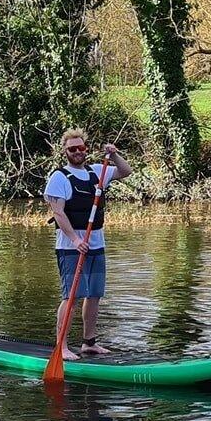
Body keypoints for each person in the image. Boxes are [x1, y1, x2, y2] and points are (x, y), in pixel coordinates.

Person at [44, 129, 131, 356]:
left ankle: (89, 343)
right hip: (70, 247)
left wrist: (113, 155)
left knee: (94, 295)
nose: (77, 152)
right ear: (65, 151)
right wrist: (75, 239)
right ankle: (61, 347)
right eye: (72, 149)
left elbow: (126, 171)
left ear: (86, 149)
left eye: (81, 148)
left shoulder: (97, 172)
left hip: (96, 244)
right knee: (71, 297)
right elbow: (59, 213)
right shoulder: (59, 178)